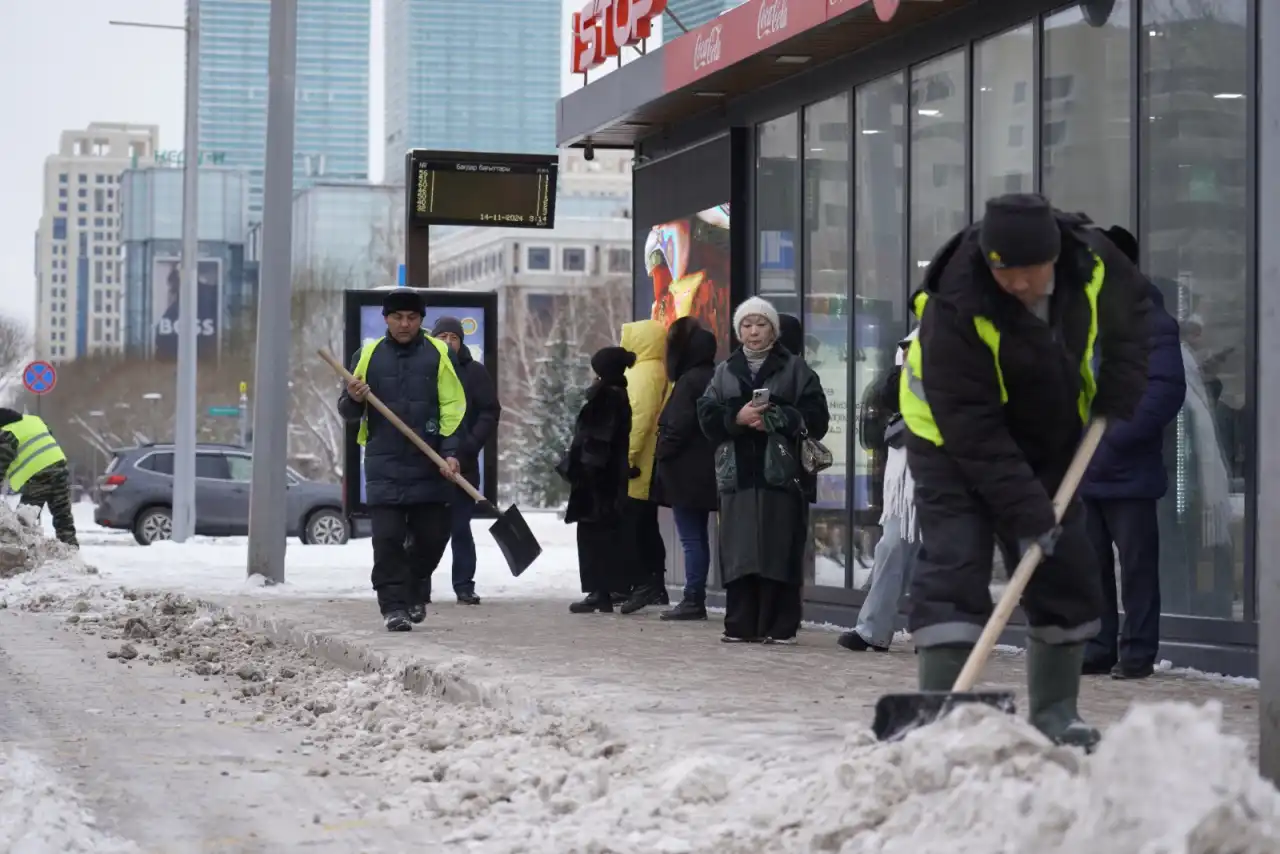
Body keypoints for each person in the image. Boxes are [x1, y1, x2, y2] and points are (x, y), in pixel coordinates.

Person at [900, 193, 1149, 748]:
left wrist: (1122, 381)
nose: (1013, 283)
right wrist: (1026, 509)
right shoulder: (957, 301)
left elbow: (1132, 319)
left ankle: (1056, 713)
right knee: (955, 560)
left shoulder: (1096, 262)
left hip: (1050, 433)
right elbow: (973, 429)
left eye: (1026, 271)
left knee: (1063, 562)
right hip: (947, 438)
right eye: (1001, 270)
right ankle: (941, 719)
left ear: (1053, 257)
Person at [1077, 226, 1186, 680]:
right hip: (1084, 469)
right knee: (1092, 565)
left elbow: (1164, 390)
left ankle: (1138, 652)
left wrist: (1111, 436)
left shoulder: (1150, 321)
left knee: (1137, 567)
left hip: (1127, 469)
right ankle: (1100, 646)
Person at [698, 297, 830, 644]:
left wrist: (781, 416)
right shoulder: (724, 371)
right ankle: (740, 625)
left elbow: (817, 418)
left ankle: (780, 626)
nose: (753, 332)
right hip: (738, 476)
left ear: (774, 329)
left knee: (778, 548)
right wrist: (736, 419)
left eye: (761, 324)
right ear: (738, 330)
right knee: (740, 550)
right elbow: (706, 418)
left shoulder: (797, 369)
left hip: (783, 476)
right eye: (746, 325)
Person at [338, 289, 466, 632]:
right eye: (397, 317)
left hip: (430, 462)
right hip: (385, 463)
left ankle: (411, 590)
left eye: (412, 317)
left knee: (434, 537)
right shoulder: (367, 355)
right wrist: (352, 397)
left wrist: (451, 453)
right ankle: (393, 606)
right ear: (386, 319)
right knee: (388, 540)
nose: (405, 323)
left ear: (421, 320)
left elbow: (453, 407)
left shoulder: (440, 354)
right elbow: (348, 411)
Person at [838, 329, 921, 653]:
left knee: (938, 557)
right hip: (904, 479)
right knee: (892, 547)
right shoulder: (912, 345)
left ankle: (931, 632)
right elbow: (885, 401)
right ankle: (873, 628)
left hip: (945, 470)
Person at [417, 316, 502, 606]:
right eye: (442, 337)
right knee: (421, 530)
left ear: (461, 342)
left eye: (454, 337)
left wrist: (465, 449)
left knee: (459, 527)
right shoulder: (423, 369)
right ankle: (419, 586)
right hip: (425, 465)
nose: (448, 343)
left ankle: (464, 584)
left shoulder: (475, 373)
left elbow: (489, 413)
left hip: (462, 465)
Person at [651, 317, 719, 621]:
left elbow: (677, 426)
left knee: (691, 538)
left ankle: (693, 598)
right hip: (705, 470)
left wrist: (662, 452)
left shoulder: (689, 381)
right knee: (699, 537)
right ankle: (696, 596)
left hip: (685, 472)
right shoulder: (714, 375)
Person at [561, 346, 635, 614]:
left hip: (597, 481)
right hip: (610, 477)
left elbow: (595, 441)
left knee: (593, 535)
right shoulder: (619, 394)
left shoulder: (606, 397)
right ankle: (604, 590)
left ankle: (599, 592)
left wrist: (581, 470)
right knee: (605, 534)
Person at [617, 319, 672, 614]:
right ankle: (655, 585)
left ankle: (644, 584)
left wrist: (627, 457)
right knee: (646, 525)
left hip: (639, 464)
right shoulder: (657, 370)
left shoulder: (641, 374)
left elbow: (637, 419)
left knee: (636, 527)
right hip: (650, 460)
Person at [0, 408, 78, 547]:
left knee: (24, 521)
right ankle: (73, 555)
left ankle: (21, 556)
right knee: (63, 516)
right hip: (59, 465)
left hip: (38, 475)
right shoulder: (33, 420)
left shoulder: (6, 434)